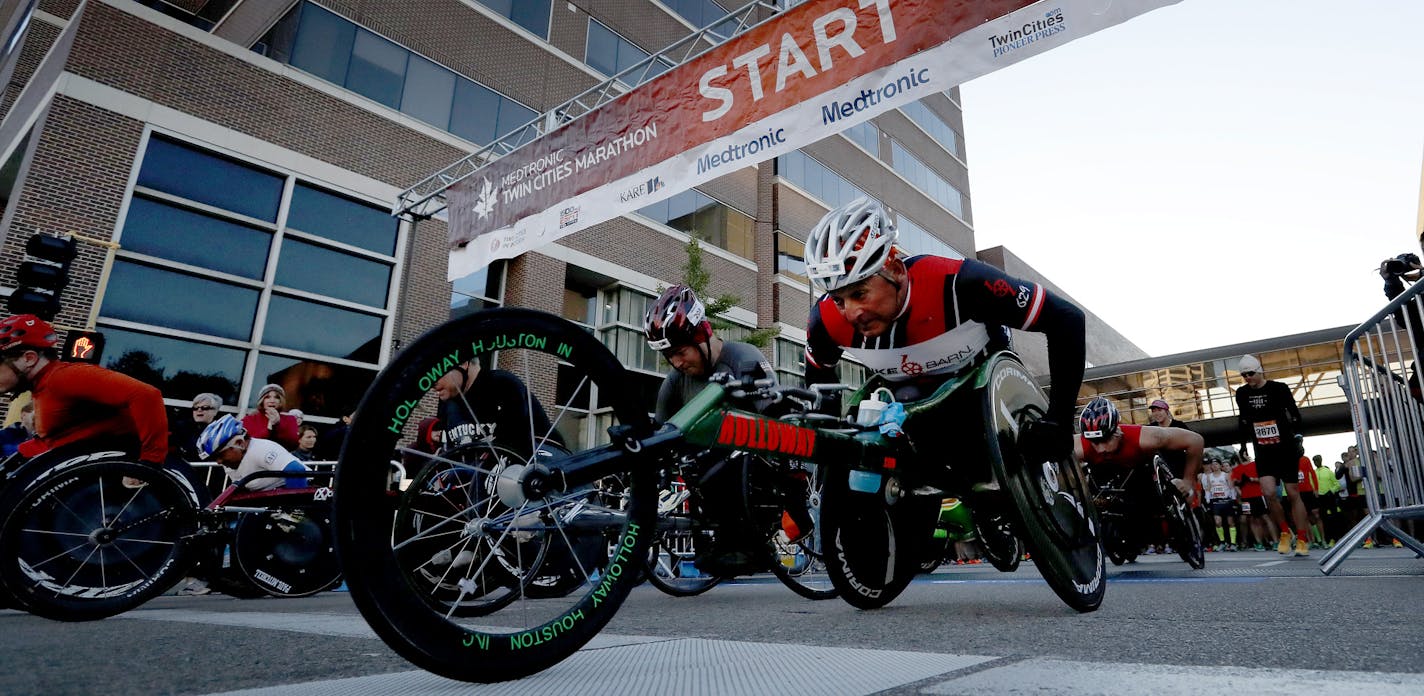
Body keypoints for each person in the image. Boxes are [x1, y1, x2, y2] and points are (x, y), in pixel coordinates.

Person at [800, 197, 1087, 491]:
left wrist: (1060, 421)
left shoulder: (960, 283)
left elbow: (1066, 319)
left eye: (860, 293)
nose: (850, 313)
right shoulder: (824, 322)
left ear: (897, 271)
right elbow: (821, 392)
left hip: (982, 389)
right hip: (909, 400)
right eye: (838, 299)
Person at [643, 284, 804, 575]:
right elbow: (660, 432)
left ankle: (750, 545)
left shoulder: (742, 356)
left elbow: (776, 422)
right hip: (707, 465)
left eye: (680, 352)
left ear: (702, 334)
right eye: (669, 357)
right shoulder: (675, 380)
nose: (677, 362)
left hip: (757, 464)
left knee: (723, 454)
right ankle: (706, 542)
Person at [0, 314, 171, 469]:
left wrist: (149, 462)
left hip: (110, 478)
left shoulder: (65, 377)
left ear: (29, 358)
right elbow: (61, 441)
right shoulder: (42, 387)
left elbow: (146, 395)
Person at [1074, 397, 1203, 559]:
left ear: (1117, 431)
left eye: (1104, 440)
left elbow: (1196, 441)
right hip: (1103, 473)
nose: (1100, 448)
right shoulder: (1078, 445)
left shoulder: (1146, 436)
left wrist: (1188, 481)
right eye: (1094, 442)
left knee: (1145, 505)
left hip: (1141, 472)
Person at [1234, 354, 1311, 556]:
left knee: (1293, 492)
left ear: (1260, 371)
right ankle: (1286, 532)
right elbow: (1243, 419)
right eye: (1243, 375)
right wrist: (1243, 445)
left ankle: (1302, 537)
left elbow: (1295, 414)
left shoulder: (1279, 388)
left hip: (1284, 447)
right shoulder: (1242, 393)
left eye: (1250, 373)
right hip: (1263, 449)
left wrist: (1298, 438)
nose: (1247, 378)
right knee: (1268, 493)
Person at [197, 415, 310, 491]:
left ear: (240, 443)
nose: (219, 462)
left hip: (303, 489)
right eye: (214, 458)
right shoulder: (232, 461)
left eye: (220, 455)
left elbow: (296, 470)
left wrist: (294, 512)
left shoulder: (261, 449)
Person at [241, 383, 300, 451]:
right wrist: (269, 429)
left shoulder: (290, 419)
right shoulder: (249, 419)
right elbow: (248, 443)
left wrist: (278, 425)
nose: (272, 401)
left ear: (281, 401)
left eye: (277, 397)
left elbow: (293, 444)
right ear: (262, 400)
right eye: (267, 397)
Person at [1201, 457, 1239, 551]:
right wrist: (1208, 501)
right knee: (1218, 522)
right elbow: (1208, 489)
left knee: (1230, 522)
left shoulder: (1225, 475)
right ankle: (1222, 542)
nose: (1214, 466)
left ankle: (1233, 543)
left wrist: (1233, 500)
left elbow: (1231, 487)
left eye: (1216, 464)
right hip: (1215, 501)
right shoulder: (1209, 476)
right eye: (1213, 465)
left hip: (1226, 500)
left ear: (1220, 465)